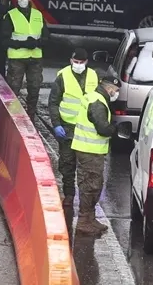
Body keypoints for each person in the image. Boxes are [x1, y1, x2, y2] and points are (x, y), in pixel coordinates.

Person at [48, 48, 99, 206]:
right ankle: (69, 195)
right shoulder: (63, 76)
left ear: (86, 62)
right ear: (70, 60)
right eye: (75, 62)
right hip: (67, 128)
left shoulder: (93, 76)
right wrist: (56, 124)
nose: (78, 65)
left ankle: (86, 202)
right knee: (67, 163)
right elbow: (53, 102)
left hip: (87, 130)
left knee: (87, 168)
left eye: (81, 62)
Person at [71, 76, 121, 235]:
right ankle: (84, 220)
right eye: (116, 90)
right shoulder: (98, 103)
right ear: (110, 88)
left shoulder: (96, 97)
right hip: (89, 151)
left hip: (91, 150)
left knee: (95, 184)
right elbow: (102, 128)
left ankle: (90, 218)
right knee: (90, 186)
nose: (116, 94)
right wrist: (115, 129)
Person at [0, 0, 49, 118]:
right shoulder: (11, 16)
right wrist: (22, 44)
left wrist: (37, 43)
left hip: (35, 58)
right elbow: (4, 39)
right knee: (14, 88)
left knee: (34, 88)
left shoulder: (38, 15)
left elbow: (46, 36)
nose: (22, 0)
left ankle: (31, 114)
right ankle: (12, 116)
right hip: (17, 58)